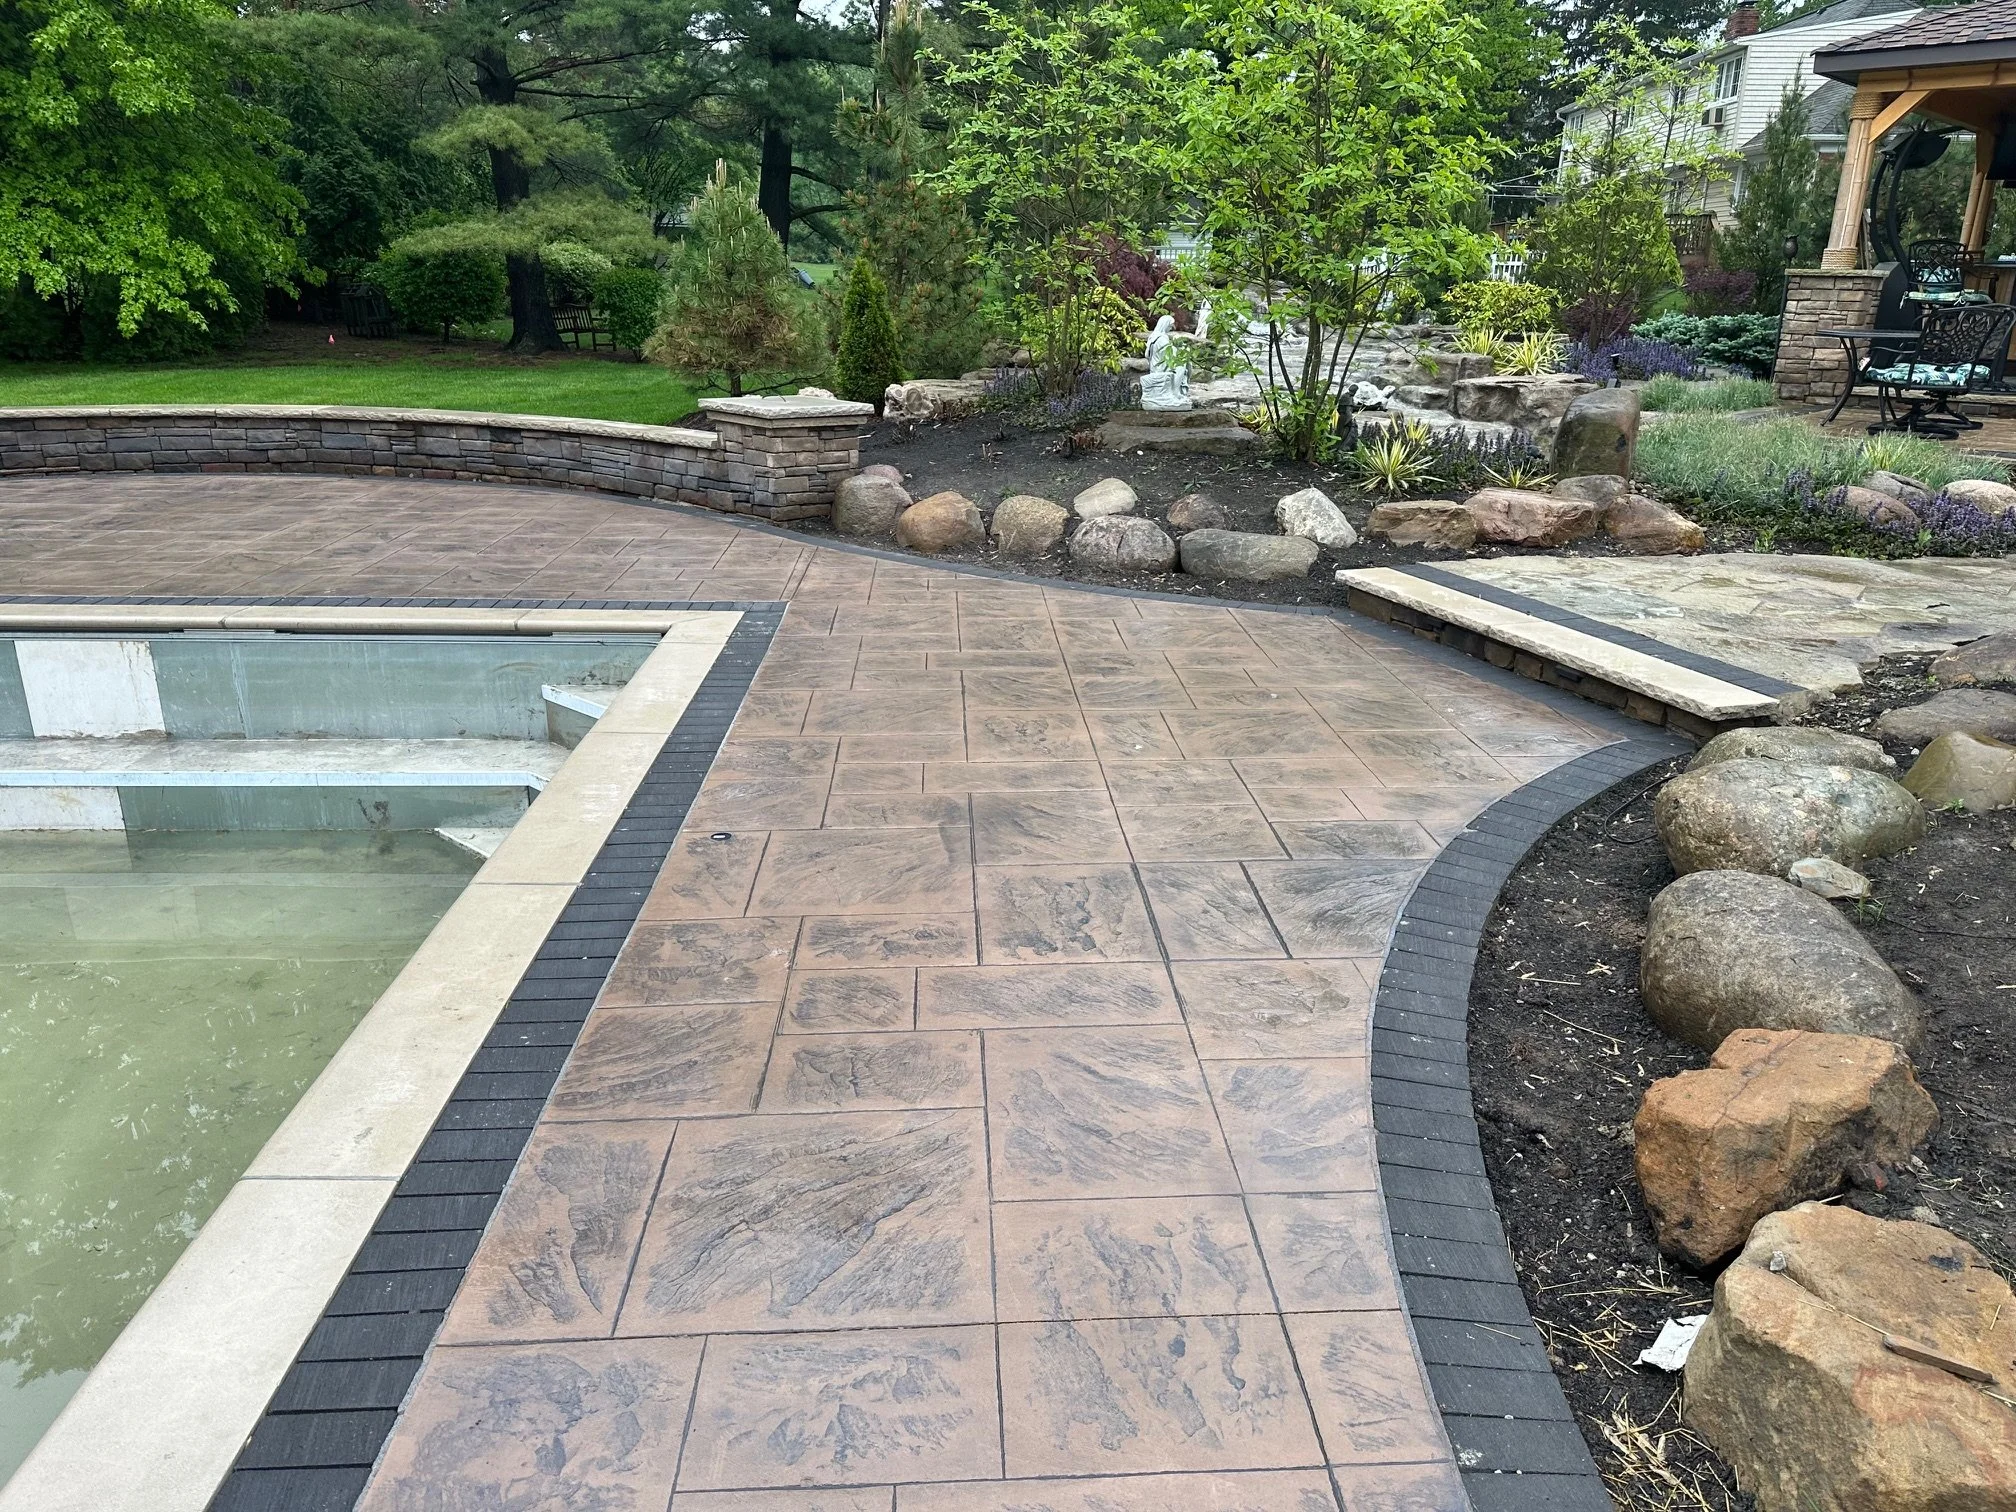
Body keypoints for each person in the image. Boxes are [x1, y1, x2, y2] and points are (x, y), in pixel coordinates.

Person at [1139, 314, 1197, 411]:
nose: (1171, 328)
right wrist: (1181, 349)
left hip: (1158, 364)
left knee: (1184, 362)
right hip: (1160, 366)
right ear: (1165, 325)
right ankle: (1175, 392)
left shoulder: (1153, 337)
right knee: (1181, 365)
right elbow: (1169, 354)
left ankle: (1177, 391)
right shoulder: (1161, 338)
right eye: (1170, 326)